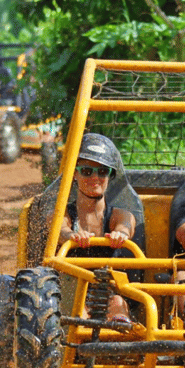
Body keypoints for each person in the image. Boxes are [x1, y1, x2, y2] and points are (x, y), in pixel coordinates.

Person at [55, 132, 135, 324]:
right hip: (70, 292)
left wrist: (120, 235)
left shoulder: (119, 215)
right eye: (87, 171)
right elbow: (60, 229)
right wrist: (72, 236)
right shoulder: (62, 214)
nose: (95, 178)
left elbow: (127, 225)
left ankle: (118, 349)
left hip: (107, 291)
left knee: (117, 303)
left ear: (110, 175)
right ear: (74, 173)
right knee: (78, 312)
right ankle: (76, 348)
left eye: (102, 172)